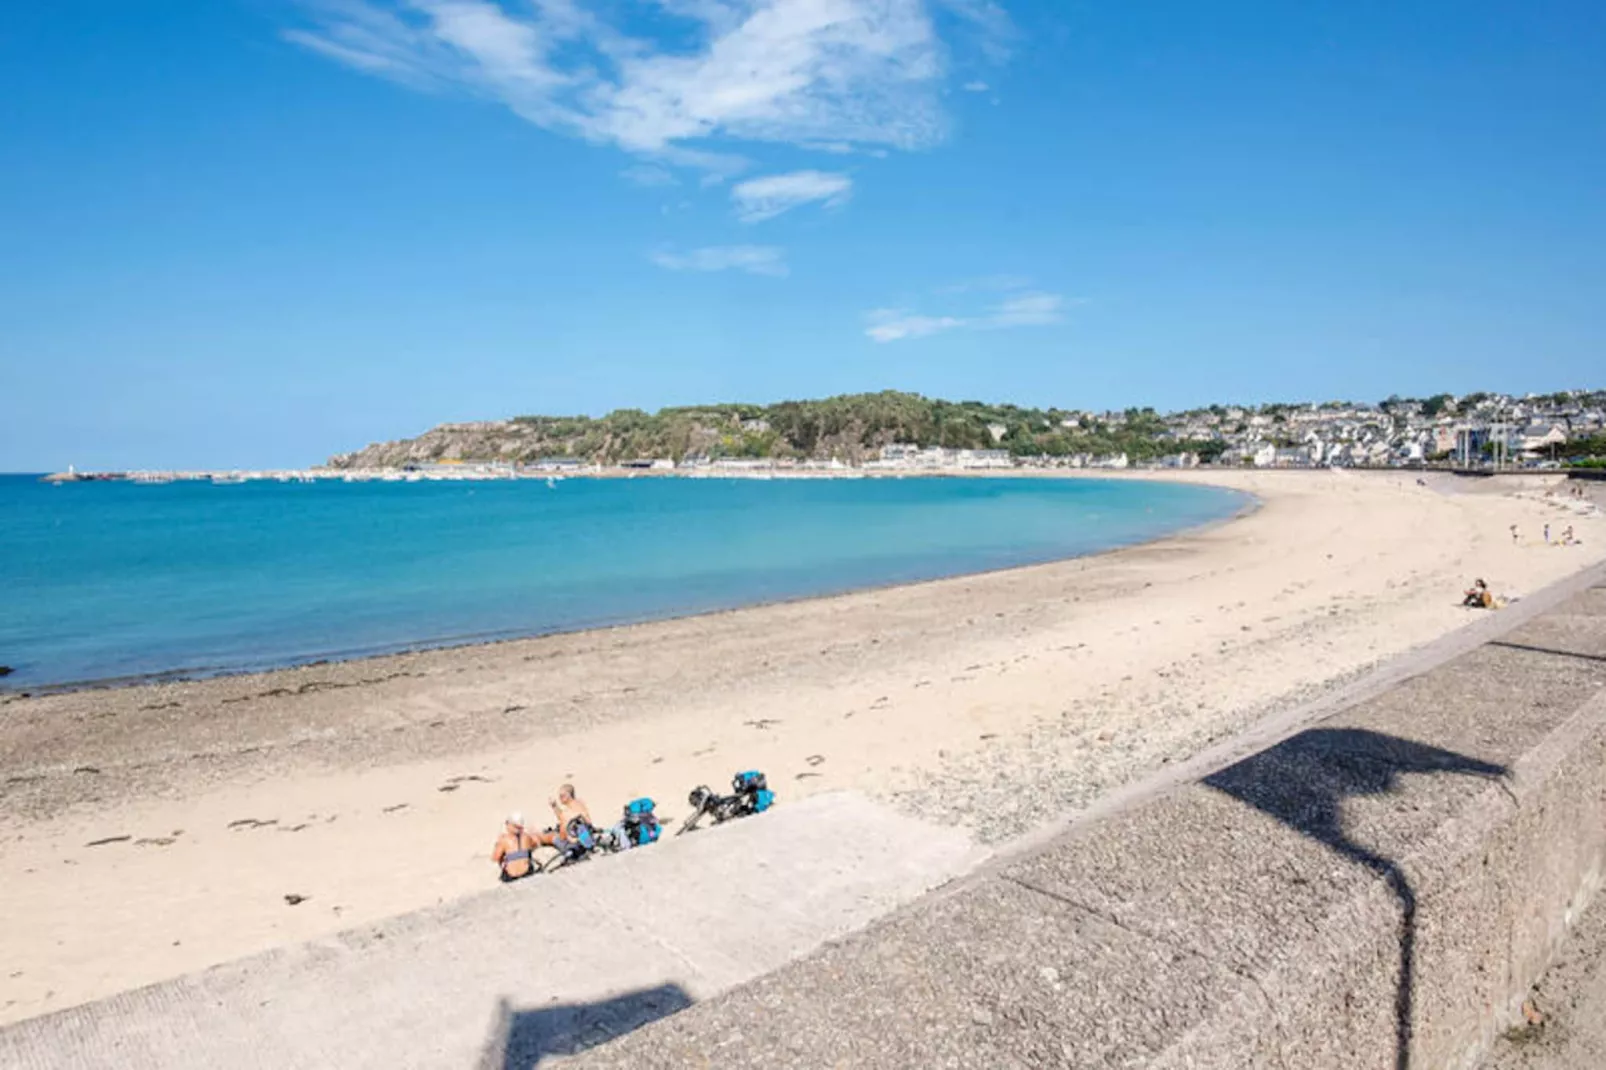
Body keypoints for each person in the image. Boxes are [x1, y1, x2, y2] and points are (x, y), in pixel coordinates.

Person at [537, 783, 594, 850]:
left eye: (562, 796)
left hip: (572, 845)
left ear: (568, 795)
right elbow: (588, 822)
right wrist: (554, 806)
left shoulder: (567, 813)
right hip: (585, 837)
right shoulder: (579, 804)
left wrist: (556, 835)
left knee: (546, 836)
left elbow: (562, 836)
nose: (559, 798)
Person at [491, 813, 536, 882]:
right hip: (527, 873)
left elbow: (494, 858)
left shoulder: (504, 840)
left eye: (507, 823)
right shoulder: (527, 837)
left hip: (511, 877)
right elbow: (533, 845)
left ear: (511, 825)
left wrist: (497, 844)